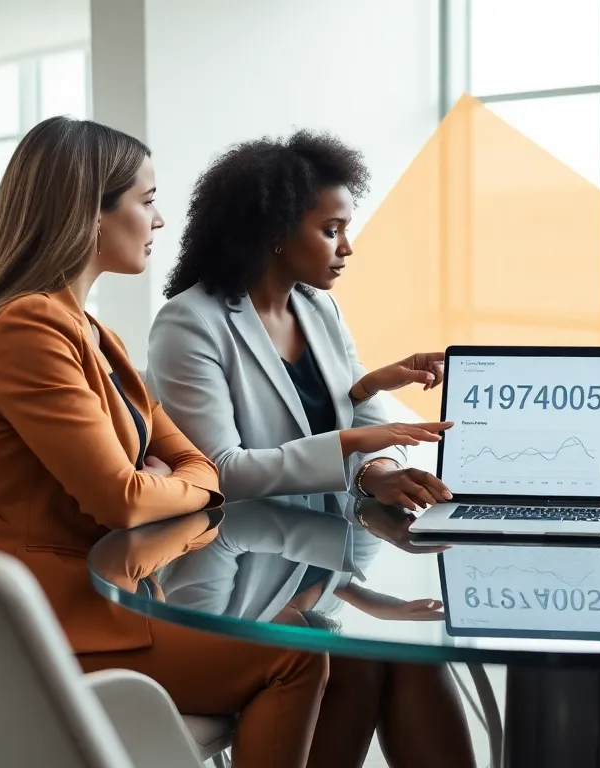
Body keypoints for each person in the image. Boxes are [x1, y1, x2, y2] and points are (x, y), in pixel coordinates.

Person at [0, 116, 334, 768]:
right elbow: (126, 501)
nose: (160, 221)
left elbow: (197, 463)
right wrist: (177, 481)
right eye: (146, 201)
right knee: (295, 657)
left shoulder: (91, 332)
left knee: (325, 640)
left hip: (120, 599)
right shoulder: (30, 328)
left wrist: (178, 478)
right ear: (89, 214)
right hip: (65, 626)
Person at [147, 129, 475, 768]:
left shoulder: (318, 309)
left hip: (312, 566)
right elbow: (220, 473)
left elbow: (358, 404)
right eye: (332, 230)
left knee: (408, 665)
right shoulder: (190, 324)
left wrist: (378, 467)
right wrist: (353, 444)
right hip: (226, 577)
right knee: (361, 665)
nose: (347, 248)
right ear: (273, 230)